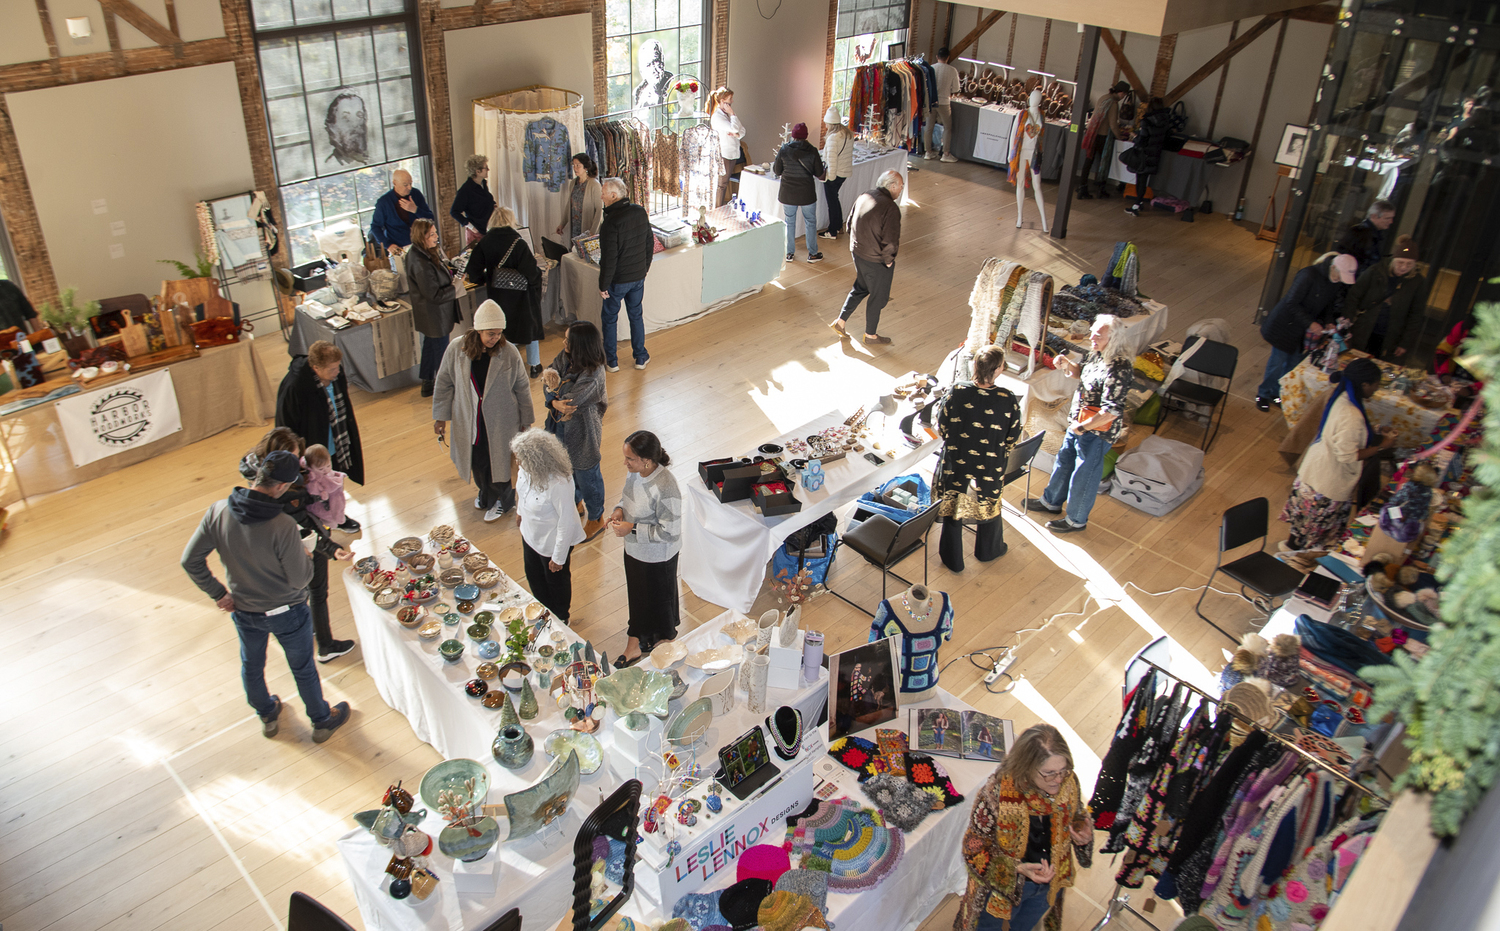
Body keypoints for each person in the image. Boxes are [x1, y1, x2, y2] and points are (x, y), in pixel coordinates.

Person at [182, 450, 353, 743]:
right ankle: (321, 719)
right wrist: (306, 554)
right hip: (288, 612)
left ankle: (266, 712)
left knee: (251, 664)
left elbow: (190, 561)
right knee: (302, 668)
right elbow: (301, 579)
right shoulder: (283, 525)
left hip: (244, 610)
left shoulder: (217, 511)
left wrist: (219, 594)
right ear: (281, 487)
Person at [955, 724, 1090, 931]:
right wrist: (1015, 868)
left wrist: (1082, 835)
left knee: (1025, 927)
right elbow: (973, 849)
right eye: (1049, 773)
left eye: (1063, 771)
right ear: (1026, 767)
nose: (1059, 779)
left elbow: (1077, 816)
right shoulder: (995, 794)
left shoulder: (1069, 783)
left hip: (1049, 885)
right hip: (1001, 887)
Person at [238, 428, 356, 664]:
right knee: (317, 591)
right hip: (302, 543)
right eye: (291, 458)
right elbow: (304, 525)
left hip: (271, 547)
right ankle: (326, 646)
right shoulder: (284, 490)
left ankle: (309, 627)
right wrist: (331, 547)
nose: (296, 464)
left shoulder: (257, 474)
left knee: (299, 591)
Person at [1025, 316, 1133, 534]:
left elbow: (1111, 411)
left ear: (1114, 338)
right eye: (1092, 332)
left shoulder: (1119, 367)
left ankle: (1076, 519)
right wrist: (1066, 364)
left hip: (1095, 431)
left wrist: (1083, 428)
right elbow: (1082, 373)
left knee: (1084, 473)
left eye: (1098, 334)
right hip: (1079, 423)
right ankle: (1051, 501)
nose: (1092, 337)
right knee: (1064, 461)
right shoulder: (1099, 354)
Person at [432, 300, 535, 521]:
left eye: (498, 333)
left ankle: (502, 502)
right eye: (490, 333)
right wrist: (440, 417)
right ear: (478, 329)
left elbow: (522, 386)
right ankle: (486, 494)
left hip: (502, 420)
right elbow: (444, 383)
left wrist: (526, 420)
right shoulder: (456, 349)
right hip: (470, 419)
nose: (495, 338)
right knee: (477, 460)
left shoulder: (509, 352)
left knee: (500, 463)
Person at [1281, 359, 1396, 550]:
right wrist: (1383, 446)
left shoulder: (1341, 396)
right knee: (1316, 532)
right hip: (1328, 481)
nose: (1377, 389)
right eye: (1376, 385)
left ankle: (1290, 549)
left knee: (1302, 523)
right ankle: (1298, 560)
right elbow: (1347, 455)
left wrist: (1373, 430)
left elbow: (1343, 432)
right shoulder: (1352, 414)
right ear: (1364, 384)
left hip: (1314, 470)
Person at [937, 345, 1022, 571]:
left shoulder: (957, 391)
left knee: (955, 503)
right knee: (989, 503)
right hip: (990, 462)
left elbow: (942, 425)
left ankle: (952, 558)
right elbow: (1012, 436)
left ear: (975, 365)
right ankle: (988, 550)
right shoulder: (1007, 398)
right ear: (998, 370)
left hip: (957, 458)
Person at [610, 431, 682, 665]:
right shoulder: (636, 472)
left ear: (647, 460)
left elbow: (670, 532)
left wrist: (631, 529)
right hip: (634, 550)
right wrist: (619, 510)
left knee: (659, 604)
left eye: (629, 458)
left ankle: (662, 649)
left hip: (658, 558)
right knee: (638, 598)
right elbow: (627, 498)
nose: (625, 463)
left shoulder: (666, 486)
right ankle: (635, 644)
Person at [276, 339, 364, 527]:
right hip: (311, 449)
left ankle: (337, 516)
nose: (338, 372)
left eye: (338, 367)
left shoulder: (335, 376)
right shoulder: (295, 386)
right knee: (314, 490)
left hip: (336, 443)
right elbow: (285, 427)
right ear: (315, 367)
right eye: (332, 369)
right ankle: (316, 521)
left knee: (333, 484)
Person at [1255, 253, 1356, 411]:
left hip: (1304, 332)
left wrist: (1328, 321)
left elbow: (1329, 305)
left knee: (1293, 364)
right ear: (1334, 267)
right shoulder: (1308, 275)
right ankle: (1263, 394)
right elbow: (1291, 302)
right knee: (1278, 362)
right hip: (1285, 327)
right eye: (1340, 275)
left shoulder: (1335, 282)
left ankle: (1277, 393)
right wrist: (1310, 322)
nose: (1340, 280)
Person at [543, 321, 610, 541]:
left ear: (580, 345)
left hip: (584, 430)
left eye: (568, 340)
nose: (563, 343)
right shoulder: (565, 356)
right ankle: (575, 501)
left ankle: (596, 517)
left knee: (586, 472)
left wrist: (555, 393)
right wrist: (554, 402)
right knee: (566, 468)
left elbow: (572, 399)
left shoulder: (595, 372)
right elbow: (548, 379)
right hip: (560, 423)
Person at [511, 428, 587, 622]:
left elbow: (566, 521)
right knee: (533, 576)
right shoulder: (526, 469)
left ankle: (561, 617)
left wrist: (559, 557)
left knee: (556, 582)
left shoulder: (559, 482)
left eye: (522, 458)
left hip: (553, 542)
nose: (518, 462)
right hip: (530, 534)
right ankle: (543, 611)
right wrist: (520, 512)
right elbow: (522, 490)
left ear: (537, 460)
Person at [464, 206, 545, 377]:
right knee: (528, 328)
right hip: (522, 296)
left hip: (498, 296)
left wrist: (487, 279)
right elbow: (532, 273)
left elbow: (473, 271)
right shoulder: (519, 243)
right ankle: (535, 365)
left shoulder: (484, 242)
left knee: (504, 329)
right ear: (510, 221)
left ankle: (510, 365)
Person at [829, 170, 904, 346]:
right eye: (901, 186)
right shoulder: (890, 208)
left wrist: (857, 245)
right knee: (878, 296)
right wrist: (889, 260)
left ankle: (840, 322)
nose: (901, 190)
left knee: (861, 287)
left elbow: (849, 223)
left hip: (858, 253)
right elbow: (890, 240)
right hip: (876, 259)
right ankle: (870, 336)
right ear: (892, 186)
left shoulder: (865, 195)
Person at [597, 177, 654, 372]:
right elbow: (649, 243)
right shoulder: (639, 212)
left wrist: (603, 285)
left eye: (603, 192)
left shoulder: (610, 224)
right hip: (638, 277)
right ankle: (640, 357)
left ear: (613, 196)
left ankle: (612, 361)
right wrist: (644, 268)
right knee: (636, 315)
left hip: (618, 281)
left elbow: (609, 259)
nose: (601, 195)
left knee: (610, 318)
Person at [1348, 235, 1427, 361]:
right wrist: (1347, 321)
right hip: (1363, 330)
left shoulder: (1417, 282)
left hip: (1389, 337)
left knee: (1380, 369)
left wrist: (1404, 343)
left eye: (1409, 264)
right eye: (1400, 262)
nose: (1404, 267)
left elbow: (1416, 315)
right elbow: (1353, 296)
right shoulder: (1375, 271)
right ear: (1393, 260)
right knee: (1352, 361)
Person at [406, 217, 460, 397]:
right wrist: (455, 289)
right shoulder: (420, 262)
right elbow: (434, 295)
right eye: (431, 234)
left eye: (435, 232)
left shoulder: (421, 253)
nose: (436, 237)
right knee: (442, 355)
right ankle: (446, 392)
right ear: (421, 237)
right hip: (435, 316)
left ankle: (427, 384)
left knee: (429, 348)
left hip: (429, 315)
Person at [774, 122, 827, 263]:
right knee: (810, 221)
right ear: (806, 136)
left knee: (789, 221)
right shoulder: (812, 151)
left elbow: (776, 170)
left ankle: (789, 253)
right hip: (806, 193)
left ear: (793, 135)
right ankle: (813, 254)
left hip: (788, 193)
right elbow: (819, 172)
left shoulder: (784, 149)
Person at [1077, 81, 1132, 199]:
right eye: (1124, 95)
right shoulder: (1113, 103)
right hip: (1102, 136)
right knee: (1104, 163)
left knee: (1089, 160)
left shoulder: (1103, 97)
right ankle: (1101, 189)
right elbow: (1113, 124)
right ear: (1121, 92)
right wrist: (1119, 136)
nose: (1123, 97)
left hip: (1093, 133)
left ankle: (1082, 186)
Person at [1124, 97, 1172, 217]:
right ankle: (1139, 203)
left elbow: (1143, 140)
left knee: (1140, 179)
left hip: (1143, 154)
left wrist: (1134, 137)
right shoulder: (1165, 120)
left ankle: (1136, 205)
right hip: (1155, 153)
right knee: (1144, 180)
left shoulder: (1147, 120)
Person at [368, 168, 435, 254]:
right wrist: (388, 245)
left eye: (411, 183)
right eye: (405, 185)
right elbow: (375, 227)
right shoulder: (384, 202)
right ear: (394, 183)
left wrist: (415, 210)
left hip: (422, 245)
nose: (409, 187)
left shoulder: (416, 194)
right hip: (399, 248)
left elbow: (431, 219)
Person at [1334, 199, 1396, 278]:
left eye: (1392, 218)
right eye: (1387, 218)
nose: (1391, 222)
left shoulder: (1378, 235)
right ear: (1374, 216)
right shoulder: (1358, 232)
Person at [820, 106, 855, 240]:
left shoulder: (832, 138)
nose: (825, 125)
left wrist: (829, 178)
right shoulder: (847, 134)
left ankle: (832, 230)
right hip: (844, 172)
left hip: (834, 174)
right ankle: (838, 226)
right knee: (835, 200)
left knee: (832, 202)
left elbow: (832, 161)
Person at [554, 153, 604, 246]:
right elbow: (569, 205)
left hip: (588, 229)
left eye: (578, 165)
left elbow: (599, 210)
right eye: (574, 165)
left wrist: (593, 232)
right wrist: (562, 224)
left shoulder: (594, 184)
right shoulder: (573, 183)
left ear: (585, 167)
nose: (575, 168)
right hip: (574, 227)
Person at [709, 88, 747, 206]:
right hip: (724, 153)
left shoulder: (730, 116)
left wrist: (737, 134)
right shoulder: (717, 117)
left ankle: (720, 207)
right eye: (730, 99)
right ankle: (717, 208)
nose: (732, 101)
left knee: (725, 182)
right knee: (722, 183)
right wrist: (732, 115)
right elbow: (735, 128)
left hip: (733, 153)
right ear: (722, 101)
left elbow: (742, 130)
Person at [450, 153, 496, 246]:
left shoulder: (483, 183)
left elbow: (486, 200)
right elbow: (454, 211)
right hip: (476, 233)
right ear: (477, 171)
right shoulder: (465, 190)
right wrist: (470, 226)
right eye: (485, 168)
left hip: (487, 229)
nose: (488, 170)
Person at [925, 47, 960, 162]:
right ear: (948, 58)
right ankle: (946, 153)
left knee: (929, 127)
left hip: (931, 101)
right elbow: (956, 89)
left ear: (937, 57)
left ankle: (928, 152)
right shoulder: (952, 70)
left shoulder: (931, 68)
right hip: (944, 102)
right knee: (947, 128)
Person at [302, 443, 347, 530]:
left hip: (323, 507)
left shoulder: (328, 475)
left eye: (328, 466)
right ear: (310, 467)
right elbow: (337, 501)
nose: (326, 470)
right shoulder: (310, 477)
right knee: (330, 523)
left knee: (330, 523)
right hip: (317, 507)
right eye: (321, 469)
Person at [323, 90, 369, 166]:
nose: (354, 123)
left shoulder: (374, 160)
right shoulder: (329, 166)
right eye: (345, 117)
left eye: (359, 115)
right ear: (331, 127)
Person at [633, 39, 673, 111]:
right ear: (642, 70)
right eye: (649, 65)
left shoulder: (669, 83)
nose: (655, 69)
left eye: (657, 62)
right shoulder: (639, 93)